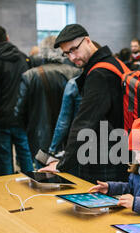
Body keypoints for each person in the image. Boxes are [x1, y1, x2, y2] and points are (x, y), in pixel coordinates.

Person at [41, 23, 129, 183]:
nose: (72, 57)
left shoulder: (100, 74)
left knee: (100, 204)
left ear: (88, 41)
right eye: (67, 53)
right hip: (119, 148)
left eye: (74, 49)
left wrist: (62, 164)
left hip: (105, 155)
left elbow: (85, 122)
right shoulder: (114, 63)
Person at [14, 35, 81, 167]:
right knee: (71, 178)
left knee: (43, 176)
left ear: (42, 51)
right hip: (71, 138)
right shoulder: (77, 73)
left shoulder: (30, 75)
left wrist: (30, 127)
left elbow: (19, 111)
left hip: (39, 138)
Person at [0, 26, 34, 175]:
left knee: (4, 156)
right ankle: (32, 183)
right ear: (7, 37)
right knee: (25, 152)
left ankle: (8, 190)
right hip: (22, 114)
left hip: (1, 116)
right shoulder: (23, 57)